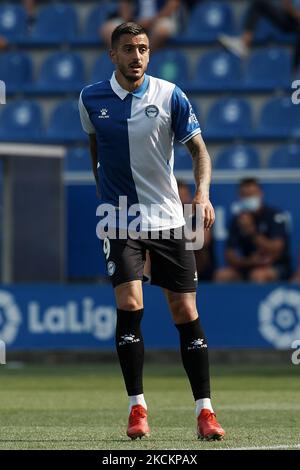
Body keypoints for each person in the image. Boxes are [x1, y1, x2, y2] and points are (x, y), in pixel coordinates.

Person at [79, 22, 225, 441]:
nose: (137, 56)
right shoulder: (90, 99)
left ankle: (205, 412)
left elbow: (199, 150)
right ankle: (137, 408)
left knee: (185, 312)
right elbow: (96, 148)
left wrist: (202, 193)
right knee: (129, 301)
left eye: (143, 48)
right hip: (119, 217)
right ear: (114, 55)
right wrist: (104, 193)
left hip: (168, 219)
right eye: (128, 49)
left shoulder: (170, 95)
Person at [215, 178, 292, 283]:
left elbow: (277, 248)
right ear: (239, 197)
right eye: (244, 195)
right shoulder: (236, 221)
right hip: (247, 264)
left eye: (251, 194)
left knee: (257, 275)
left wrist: (252, 232)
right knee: (222, 275)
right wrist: (249, 262)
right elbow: (229, 255)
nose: (248, 198)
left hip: (276, 266)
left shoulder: (274, 216)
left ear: (260, 193)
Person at [219, 0, 300, 73]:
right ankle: (244, 42)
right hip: (292, 20)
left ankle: (294, 70)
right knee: (259, 3)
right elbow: (286, 5)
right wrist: (294, 13)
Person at [100, 1, 181, 51]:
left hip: (161, 18)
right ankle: (124, 60)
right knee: (108, 29)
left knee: (161, 31)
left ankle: (143, 59)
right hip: (135, 20)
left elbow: (172, 4)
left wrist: (151, 21)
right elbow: (125, 4)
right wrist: (129, 22)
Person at [177, 180, 216, 281]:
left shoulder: (200, 213)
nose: (183, 200)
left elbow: (203, 239)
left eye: (185, 195)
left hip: (202, 267)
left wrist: (174, 235)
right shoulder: (166, 216)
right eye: (179, 196)